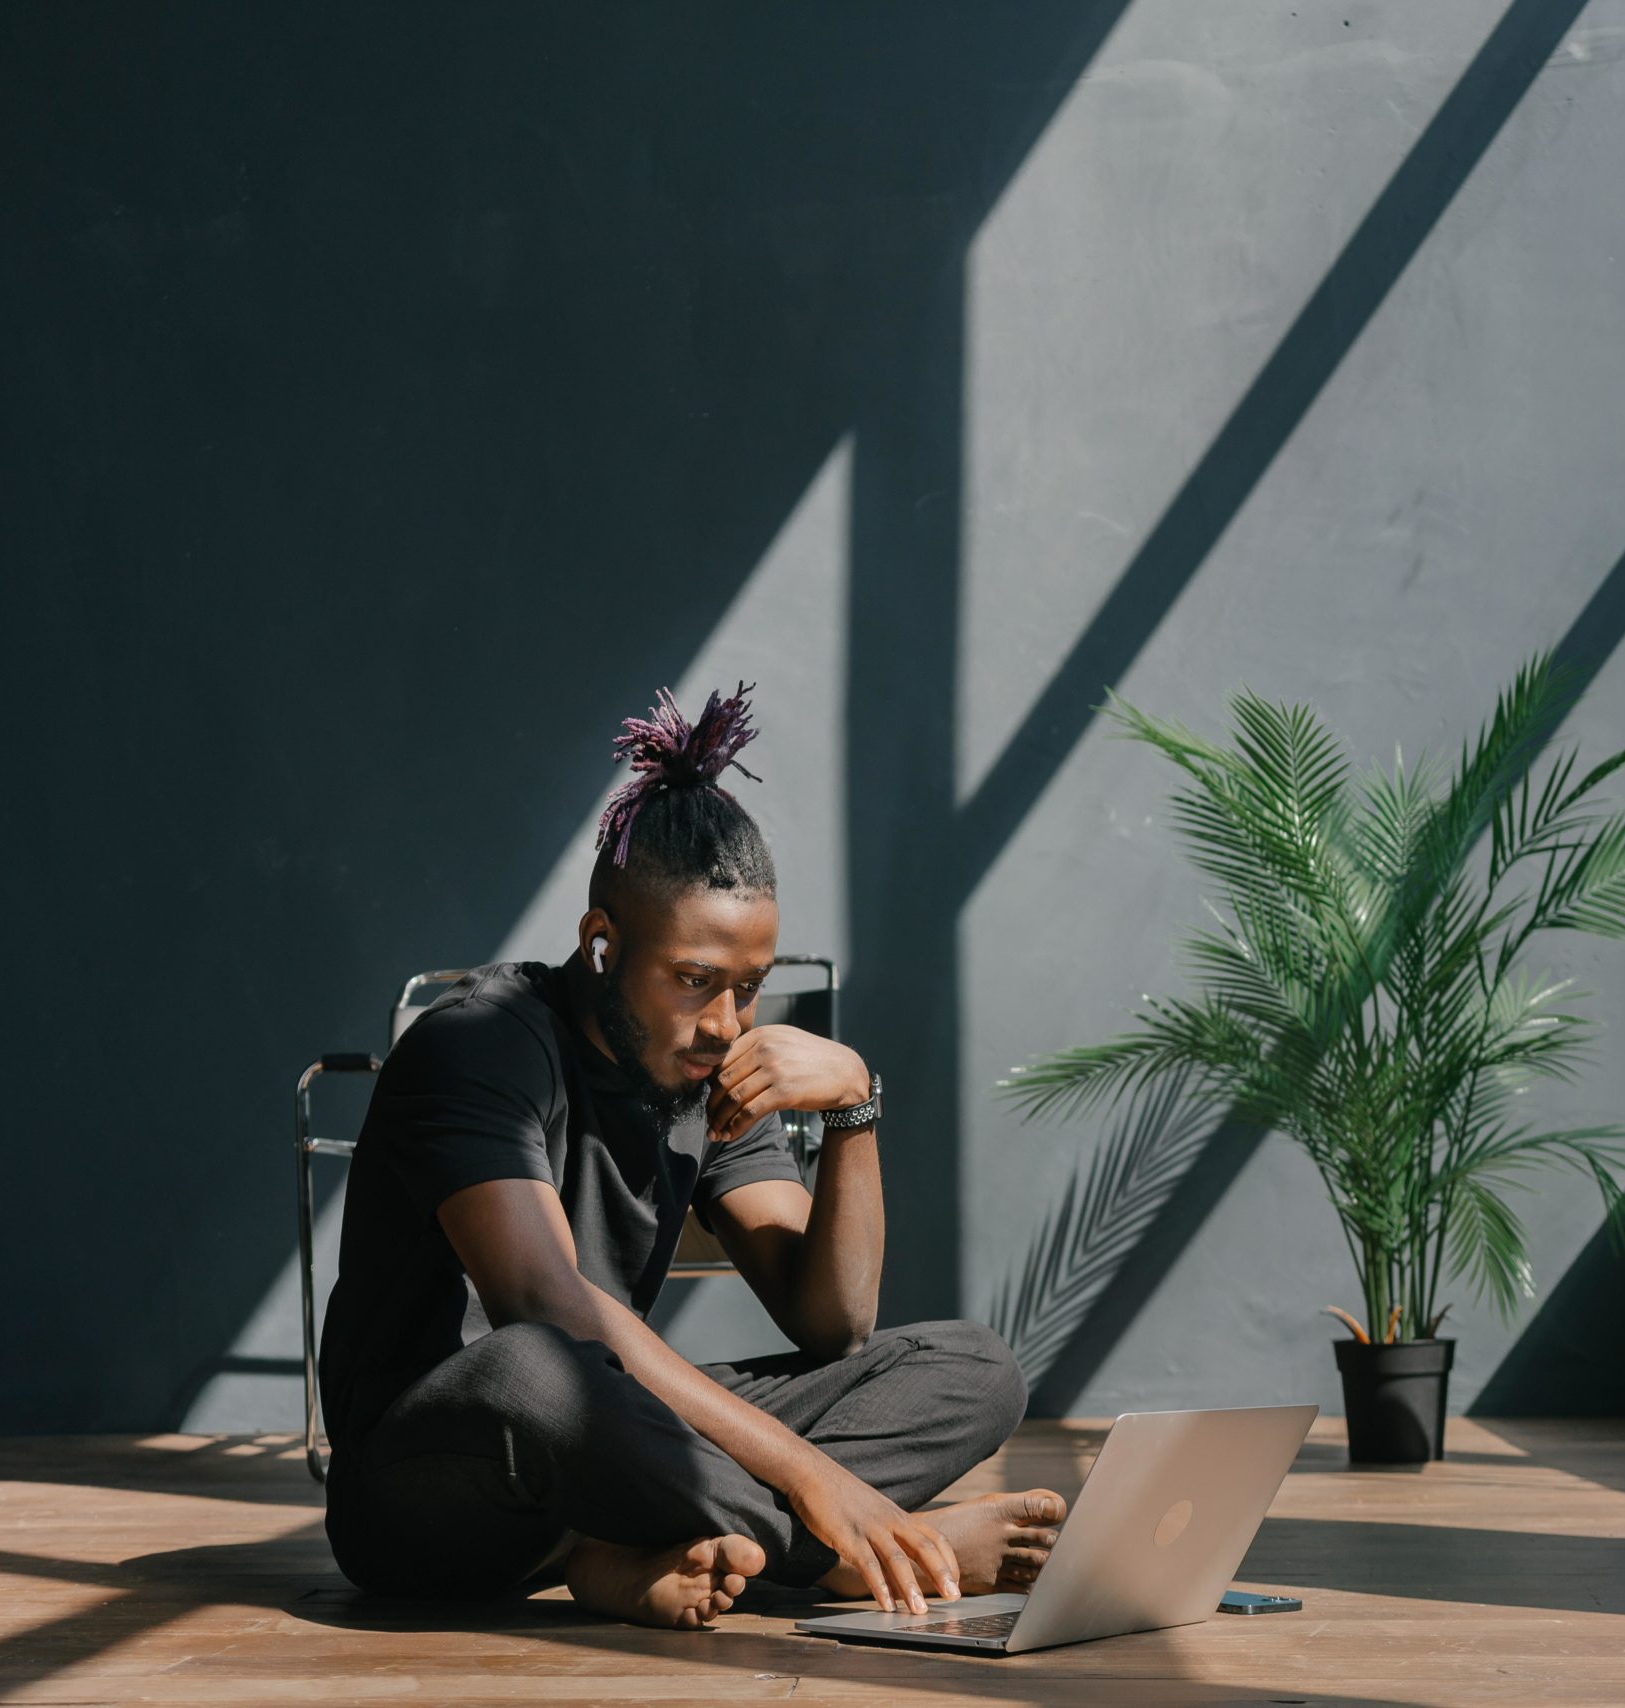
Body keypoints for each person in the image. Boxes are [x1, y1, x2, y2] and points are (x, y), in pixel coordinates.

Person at [317, 682, 1065, 1628]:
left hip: (614, 1441)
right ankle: (840, 1557)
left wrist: (856, 1109)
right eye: (694, 982)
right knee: (536, 1366)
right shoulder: (479, 1045)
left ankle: (612, 1552)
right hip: (428, 1486)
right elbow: (548, 1308)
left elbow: (832, 1322)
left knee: (975, 1365)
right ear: (601, 945)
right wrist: (819, 1487)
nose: (726, 1022)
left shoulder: (706, 1069)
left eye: (749, 987)